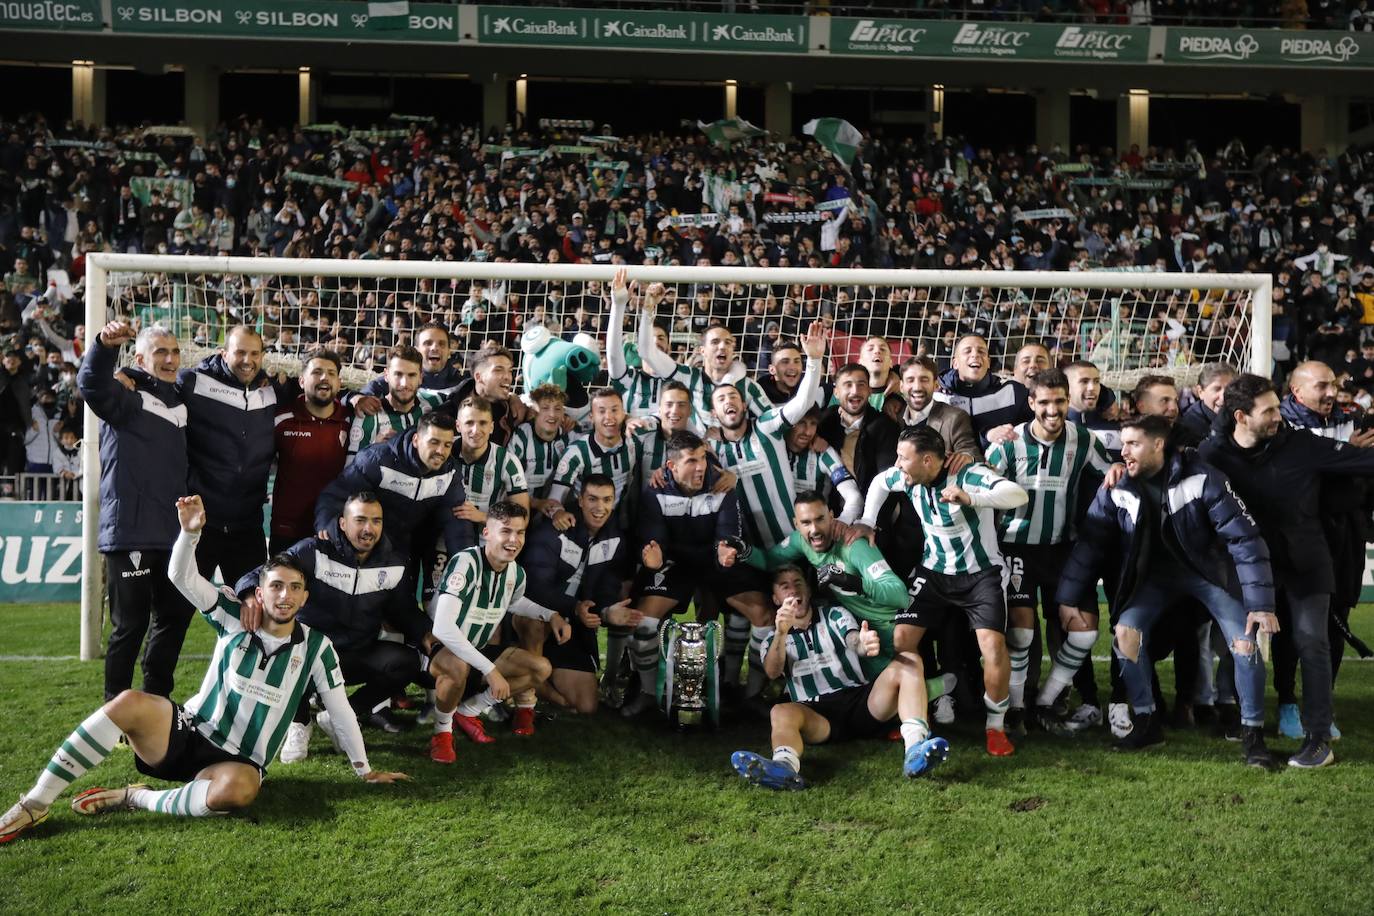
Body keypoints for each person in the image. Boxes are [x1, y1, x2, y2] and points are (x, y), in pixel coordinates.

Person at [0, 495, 406, 844]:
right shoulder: (233, 615)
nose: (285, 596)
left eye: (295, 588)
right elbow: (180, 576)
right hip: (187, 732)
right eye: (276, 586)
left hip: (238, 761)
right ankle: (34, 803)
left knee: (240, 791)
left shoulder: (318, 648)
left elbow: (340, 710)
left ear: (305, 597)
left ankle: (133, 797)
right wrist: (190, 533)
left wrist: (364, 771)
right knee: (128, 703)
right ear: (259, 592)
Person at [1059, 415, 1281, 767]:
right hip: (1154, 580)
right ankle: (1147, 723)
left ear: (1158, 444)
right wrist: (1069, 598)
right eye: (1123, 443)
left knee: (1245, 641)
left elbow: (1245, 540)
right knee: (1125, 635)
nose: (1123, 451)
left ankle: (1253, 736)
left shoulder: (1204, 478)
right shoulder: (1117, 485)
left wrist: (1260, 604)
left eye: (1132, 444)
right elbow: (1091, 543)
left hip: (1209, 576)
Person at [1200, 374, 1374, 768]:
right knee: (1242, 646)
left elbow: (1364, 460)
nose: (1279, 417)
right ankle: (1248, 728)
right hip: (1246, 570)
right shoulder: (1213, 454)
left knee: (1312, 642)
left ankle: (1318, 738)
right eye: (1270, 411)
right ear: (1241, 416)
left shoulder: (1301, 444)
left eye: (1279, 407)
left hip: (1307, 566)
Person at [233, 491, 459, 753]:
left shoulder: (394, 562)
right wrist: (250, 595)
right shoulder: (312, 551)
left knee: (405, 663)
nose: (368, 529)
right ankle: (300, 722)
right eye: (360, 520)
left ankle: (341, 717)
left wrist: (425, 634)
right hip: (311, 653)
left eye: (376, 521)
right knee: (289, 655)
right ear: (342, 523)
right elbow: (261, 574)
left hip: (356, 652)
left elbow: (403, 610)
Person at [858, 426, 1029, 757]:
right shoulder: (907, 477)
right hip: (934, 572)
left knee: (993, 648)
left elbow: (1017, 495)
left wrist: (972, 498)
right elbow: (880, 482)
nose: (897, 464)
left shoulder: (968, 475)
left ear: (926, 460)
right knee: (902, 640)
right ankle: (914, 715)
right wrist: (867, 519)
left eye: (903, 458)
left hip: (981, 575)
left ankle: (995, 726)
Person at [729, 566, 952, 790]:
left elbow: (853, 639)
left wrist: (864, 643)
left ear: (808, 590)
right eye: (784, 586)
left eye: (798, 583)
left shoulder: (834, 614)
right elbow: (772, 671)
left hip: (861, 703)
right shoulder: (772, 638)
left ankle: (915, 749)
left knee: (909, 660)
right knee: (780, 710)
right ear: (776, 598)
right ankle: (784, 767)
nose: (793, 590)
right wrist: (781, 631)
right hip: (816, 714)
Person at [983, 369, 1120, 734]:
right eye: (1044, 402)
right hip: (1016, 548)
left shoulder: (1084, 440)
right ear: (1031, 404)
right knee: (1022, 635)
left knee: (1085, 633)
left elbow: (1112, 471)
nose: (1053, 410)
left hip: (1064, 550)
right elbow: (980, 489)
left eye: (1060, 401)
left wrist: (1120, 467)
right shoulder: (1007, 445)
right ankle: (1014, 710)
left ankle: (1045, 701)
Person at [78, 321, 193, 703]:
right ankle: (115, 707)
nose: (170, 358)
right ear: (140, 358)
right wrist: (103, 346)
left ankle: (156, 700)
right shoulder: (125, 396)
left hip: (172, 531)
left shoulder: (179, 401)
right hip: (130, 529)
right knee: (130, 625)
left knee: (175, 617)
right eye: (160, 351)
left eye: (174, 351)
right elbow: (92, 384)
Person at [622, 431, 764, 716]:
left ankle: (741, 689)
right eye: (690, 461)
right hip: (676, 564)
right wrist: (654, 555)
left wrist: (727, 549)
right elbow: (653, 538)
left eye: (702, 458)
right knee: (643, 620)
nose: (700, 467)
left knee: (762, 615)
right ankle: (649, 692)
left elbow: (729, 534)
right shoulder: (656, 491)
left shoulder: (722, 484)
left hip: (714, 560)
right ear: (671, 466)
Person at [1278, 360, 1374, 739]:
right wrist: (1345, 457)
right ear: (1297, 391)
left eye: (1333, 384)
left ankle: (1322, 703)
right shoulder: (1281, 424)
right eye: (1321, 386)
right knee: (1290, 623)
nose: (1331, 392)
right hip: (1296, 534)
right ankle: (1286, 701)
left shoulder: (1358, 420)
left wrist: (1341, 462)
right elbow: (1296, 477)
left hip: (1345, 534)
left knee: (1338, 621)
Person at [428, 501, 567, 756]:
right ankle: (442, 732)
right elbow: (443, 627)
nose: (513, 539)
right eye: (505, 531)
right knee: (458, 666)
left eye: (520, 532)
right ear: (487, 533)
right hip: (439, 651)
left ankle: (468, 711)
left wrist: (551, 615)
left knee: (541, 667)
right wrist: (490, 669)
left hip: (477, 651)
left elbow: (515, 602)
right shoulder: (465, 563)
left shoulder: (515, 572)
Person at [747, 491, 910, 679]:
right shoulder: (801, 541)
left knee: (887, 689)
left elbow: (900, 596)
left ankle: (940, 688)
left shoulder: (854, 546)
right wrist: (743, 551)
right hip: (852, 626)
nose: (814, 529)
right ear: (796, 524)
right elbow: (769, 560)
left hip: (885, 627)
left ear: (832, 517)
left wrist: (852, 582)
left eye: (820, 519)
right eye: (806, 523)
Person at [518, 474, 637, 714]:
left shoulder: (615, 538)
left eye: (606, 500)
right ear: (580, 500)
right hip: (537, 616)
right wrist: (573, 606)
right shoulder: (554, 529)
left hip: (573, 623)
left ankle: (542, 677)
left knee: (586, 706)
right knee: (534, 623)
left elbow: (606, 587)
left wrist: (606, 611)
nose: (600, 508)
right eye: (592, 499)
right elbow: (535, 587)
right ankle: (527, 694)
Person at [315, 411, 474, 579]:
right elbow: (337, 494)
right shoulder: (377, 459)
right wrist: (327, 525)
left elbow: (457, 522)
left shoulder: (450, 473)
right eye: (434, 442)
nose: (440, 451)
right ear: (416, 440)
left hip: (409, 547)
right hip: (370, 541)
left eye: (447, 445)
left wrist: (467, 563)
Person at [177, 325, 278, 585]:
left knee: (252, 614)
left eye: (255, 354)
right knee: (174, 615)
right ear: (224, 354)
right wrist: (130, 375)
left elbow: (318, 394)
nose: (248, 360)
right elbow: (159, 380)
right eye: (240, 352)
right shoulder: (194, 383)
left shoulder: (271, 390)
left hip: (247, 528)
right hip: (201, 525)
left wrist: (355, 400)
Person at [635, 282, 772, 425]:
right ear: (702, 350)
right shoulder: (687, 377)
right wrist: (648, 308)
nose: (722, 347)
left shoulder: (748, 386)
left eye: (728, 342)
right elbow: (647, 352)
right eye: (715, 342)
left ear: (733, 349)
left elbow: (774, 422)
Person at [269, 348, 352, 554]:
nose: (324, 377)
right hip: (287, 531)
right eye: (316, 372)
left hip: (333, 531)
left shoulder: (352, 421)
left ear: (339, 383)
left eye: (331, 373)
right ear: (302, 381)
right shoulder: (282, 420)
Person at [347, 345, 445, 460]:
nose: (404, 383)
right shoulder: (367, 414)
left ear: (420, 378)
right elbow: (350, 471)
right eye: (398, 374)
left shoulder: (435, 403)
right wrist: (374, 450)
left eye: (412, 375)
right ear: (386, 375)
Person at [453, 396, 530, 539]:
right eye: (469, 423)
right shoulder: (444, 451)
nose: (475, 430)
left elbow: (522, 519)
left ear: (492, 427)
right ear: (458, 426)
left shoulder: (507, 461)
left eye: (483, 423)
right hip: (445, 535)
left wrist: (483, 517)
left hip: (487, 540)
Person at [817, 361, 899, 492]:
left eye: (861, 385)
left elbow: (888, 485)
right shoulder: (826, 423)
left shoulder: (885, 427)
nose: (855, 391)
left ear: (869, 391)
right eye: (848, 385)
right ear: (836, 392)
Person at [936, 334, 1032, 445]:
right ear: (955, 363)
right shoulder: (939, 397)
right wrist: (987, 435)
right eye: (967, 351)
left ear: (988, 363)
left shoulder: (1012, 391)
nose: (975, 355)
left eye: (981, 351)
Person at [607, 267, 671, 418]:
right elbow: (613, 356)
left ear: (669, 348)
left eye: (661, 338)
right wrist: (618, 305)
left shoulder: (678, 379)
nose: (655, 341)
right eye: (651, 338)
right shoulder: (629, 378)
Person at [784, 408, 863, 524]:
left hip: (814, 534)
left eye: (813, 424)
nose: (808, 432)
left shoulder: (824, 454)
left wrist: (842, 522)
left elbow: (855, 497)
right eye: (801, 423)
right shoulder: (775, 448)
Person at [507, 383, 570, 518]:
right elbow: (507, 484)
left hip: (554, 510)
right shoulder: (521, 436)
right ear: (535, 412)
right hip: (519, 507)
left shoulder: (568, 435)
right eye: (545, 408)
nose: (552, 415)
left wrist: (627, 418)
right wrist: (537, 503)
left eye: (558, 409)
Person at [1177, 362, 1237, 444]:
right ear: (1200, 392)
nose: (1223, 397)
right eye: (1217, 389)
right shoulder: (1190, 426)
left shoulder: (1242, 414)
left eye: (1229, 389)